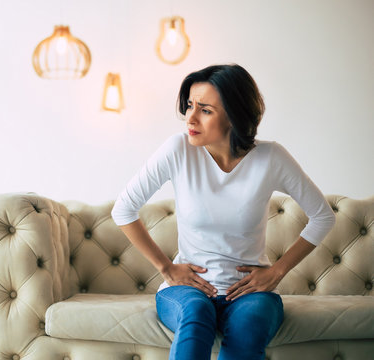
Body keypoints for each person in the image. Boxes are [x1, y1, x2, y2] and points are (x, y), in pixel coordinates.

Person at [110, 64, 336, 360]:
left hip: (250, 295)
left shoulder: (270, 158)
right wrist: (166, 268)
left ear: (234, 114)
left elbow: (323, 216)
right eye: (190, 105)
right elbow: (123, 209)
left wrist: (277, 271)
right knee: (195, 312)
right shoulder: (178, 150)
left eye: (205, 110)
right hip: (186, 291)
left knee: (249, 325)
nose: (190, 117)